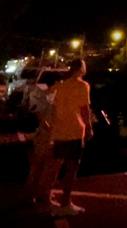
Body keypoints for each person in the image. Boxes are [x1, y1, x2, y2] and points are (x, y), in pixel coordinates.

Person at [38, 59, 93, 216]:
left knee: (55, 166)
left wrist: (47, 124)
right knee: (71, 169)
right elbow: (85, 110)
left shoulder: (60, 85)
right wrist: (89, 128)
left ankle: (46, 197)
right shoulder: (82, 86)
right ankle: (65, 203)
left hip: (58, 131)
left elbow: (47, 103)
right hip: (75, 131)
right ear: (81, 69)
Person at [26, 71, 60, 205]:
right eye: (58, 82)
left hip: (44, 135)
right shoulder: (42, 95)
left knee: (39, 167)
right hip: (47, 135)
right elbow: (41, 117)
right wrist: (52, 130)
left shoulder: (40, 94)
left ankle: (33, 195)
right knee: (48, 167)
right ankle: (43, 195)